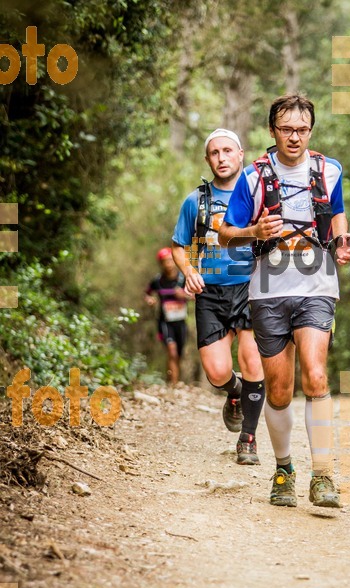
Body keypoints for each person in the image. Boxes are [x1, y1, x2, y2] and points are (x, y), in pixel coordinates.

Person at [219, 95, 350, 507]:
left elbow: (338, 214)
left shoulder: (328, 170)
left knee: (315, 374)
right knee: (279, 391)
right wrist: (255, 231)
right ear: (272, 131)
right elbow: (225, 232)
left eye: (302, 129)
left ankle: (324, 476)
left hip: (317, 284)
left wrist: (343, 242)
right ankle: (284, 469)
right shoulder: (253, 178)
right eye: (286, 129)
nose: (294, 137)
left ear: (310, 130)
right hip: (269, 291)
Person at [171, 129, 265, 465]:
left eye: (228, 151)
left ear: (241, 154)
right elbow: (179, 246)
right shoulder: (195, 201)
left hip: (251, 287)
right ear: (207, 159)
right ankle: (236, 393)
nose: (222, 158)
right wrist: (188, 270)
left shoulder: (257, 196)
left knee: (253, 361)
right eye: (214, 152)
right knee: (216, 372)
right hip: (210, 291)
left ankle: (248, 439)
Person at [144, 247, 189, 386]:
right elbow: (147, 293)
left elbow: (197, 295)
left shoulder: (183, 279)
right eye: (165, 261)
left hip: (181, 322)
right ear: (161, 263)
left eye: (170, 260)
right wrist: (150, 300)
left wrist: (184, 295)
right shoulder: (157, 281)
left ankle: (172, 378)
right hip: (165, 322)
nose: (168, 264)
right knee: (172, 351)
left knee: (178, 354)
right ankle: (173, 386)